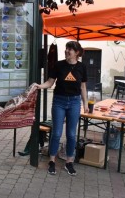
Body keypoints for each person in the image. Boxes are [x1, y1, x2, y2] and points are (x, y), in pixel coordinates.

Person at [35, 41, 88, 176]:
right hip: (59, 101)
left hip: (75, 103)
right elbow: (50, 82)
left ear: (77, 52)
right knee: (57, 133)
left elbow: (83, 87)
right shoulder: (59, 65)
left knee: (71, 134)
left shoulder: (82, 67)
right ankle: (52, 161)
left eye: (70, 49)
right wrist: (40, 86)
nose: (66, 51)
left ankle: (69, 162)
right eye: (66, 48)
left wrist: (86, 104)